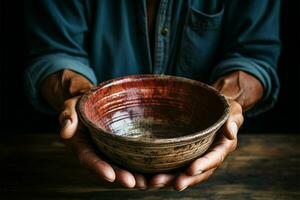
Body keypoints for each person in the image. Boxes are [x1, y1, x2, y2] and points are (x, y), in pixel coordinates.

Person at [24, 0, 280, 191]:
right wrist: (81, 102)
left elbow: (255, 55)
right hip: (76, 179)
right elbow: (54, 51)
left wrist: (223, 109)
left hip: (220, 182)